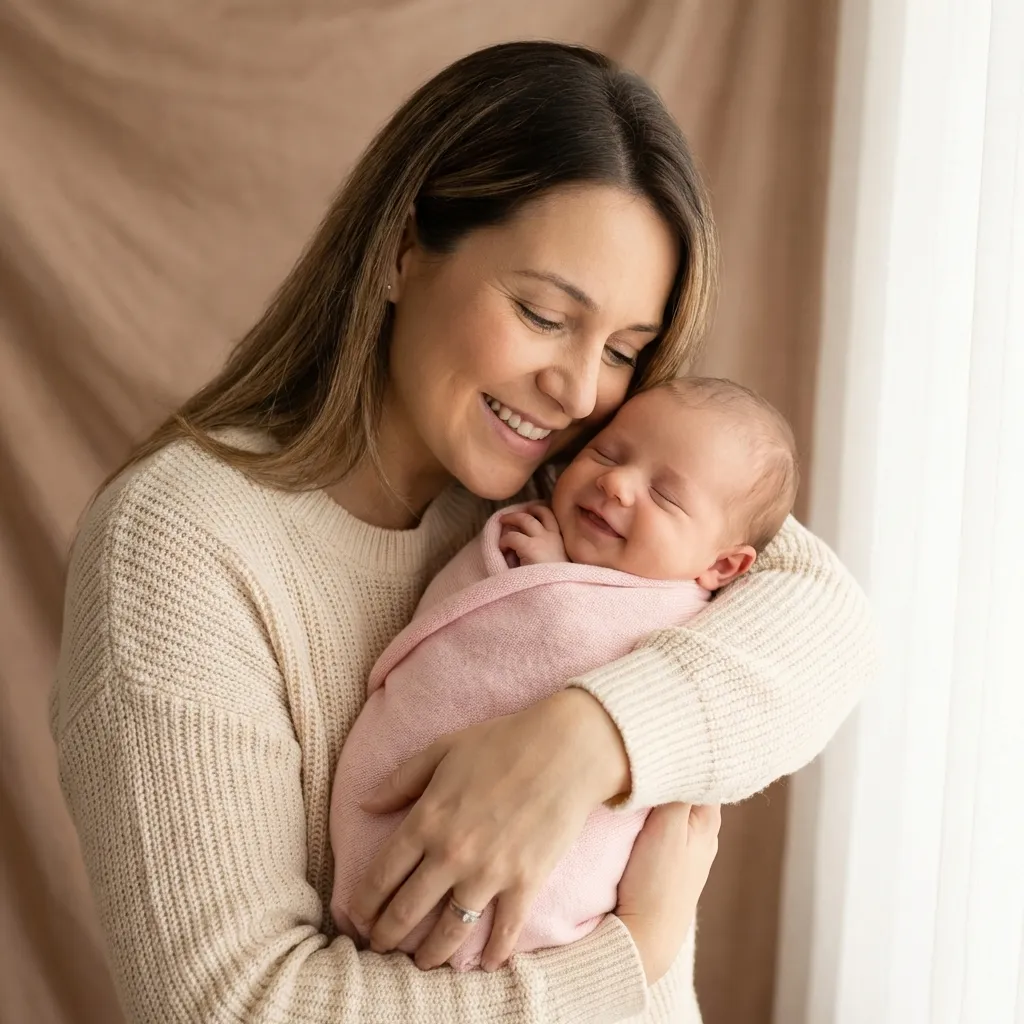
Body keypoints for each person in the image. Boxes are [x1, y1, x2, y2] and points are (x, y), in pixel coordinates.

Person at [51, 41, 875, 1024]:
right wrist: (625, 965)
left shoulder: (576, 494)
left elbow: (830, 618)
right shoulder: (184, 538)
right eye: (540, 314)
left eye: (622, 350)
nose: (576, 392)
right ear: (404, 250)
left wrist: (585, 738)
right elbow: (235, 1005)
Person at [330, 377, 799, 973]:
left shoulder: (696, 622)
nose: (618, 483)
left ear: (723, 565)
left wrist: (557, 591)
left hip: (553, 927)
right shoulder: (535, 520)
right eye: (606, 451)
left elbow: (823, 624)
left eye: (666, 496)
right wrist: (550, 578)